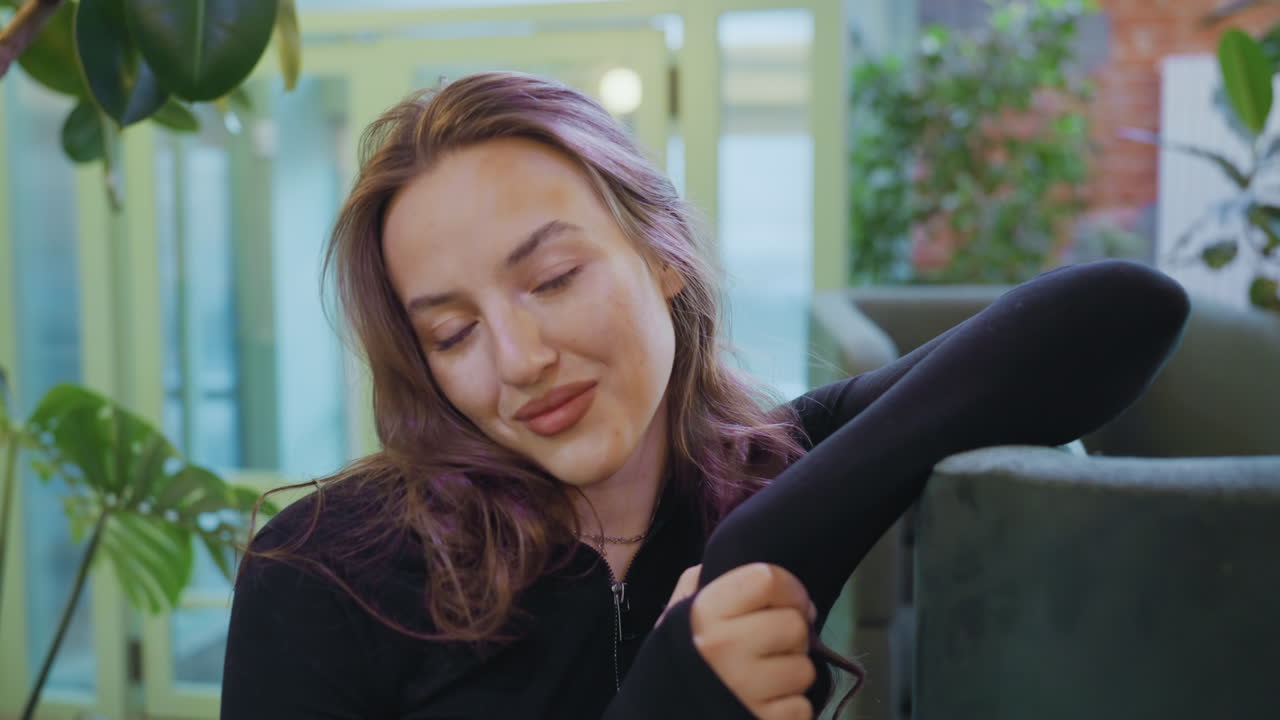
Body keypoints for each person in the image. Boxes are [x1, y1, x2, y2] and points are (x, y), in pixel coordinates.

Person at [220, 71, 1190, 720]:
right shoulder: (322, 572)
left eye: (553, 278)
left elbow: (1115, 310)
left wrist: (762, 545)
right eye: (452, 332)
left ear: (660, 256)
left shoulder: (769, 465)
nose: (516, 360)